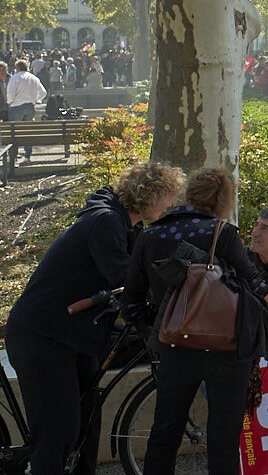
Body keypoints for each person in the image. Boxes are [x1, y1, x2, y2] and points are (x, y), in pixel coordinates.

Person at [122, 168, 268, 475]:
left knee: (165, 432)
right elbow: (260, 289)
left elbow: (130, 304)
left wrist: (157, 334)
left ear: (188, 194)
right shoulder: (223, 233)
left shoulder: (150, 235)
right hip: (226, 348)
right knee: (223, 438)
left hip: (174, 348)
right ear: (224, 200)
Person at [6, 162, 186, 475]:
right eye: (168, 197)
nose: (170, 204)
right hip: (44, 335)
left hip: (75, 333)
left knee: (86, 425)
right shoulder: (105, 221)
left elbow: (139, 274)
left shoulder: (128, 225)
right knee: (59, 430)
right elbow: (126, 278)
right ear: (150, 196)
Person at [7, 58, 47, 163]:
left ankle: (13, 156)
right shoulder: (34, 78)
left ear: (17, 68)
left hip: (17, 106)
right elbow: (43, 92)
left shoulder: (15, 77)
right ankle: (27, 155)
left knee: (14, 132)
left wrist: (10, 102)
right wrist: (36, 100)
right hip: (30, 106)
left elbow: (10, 92)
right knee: (27, 131)